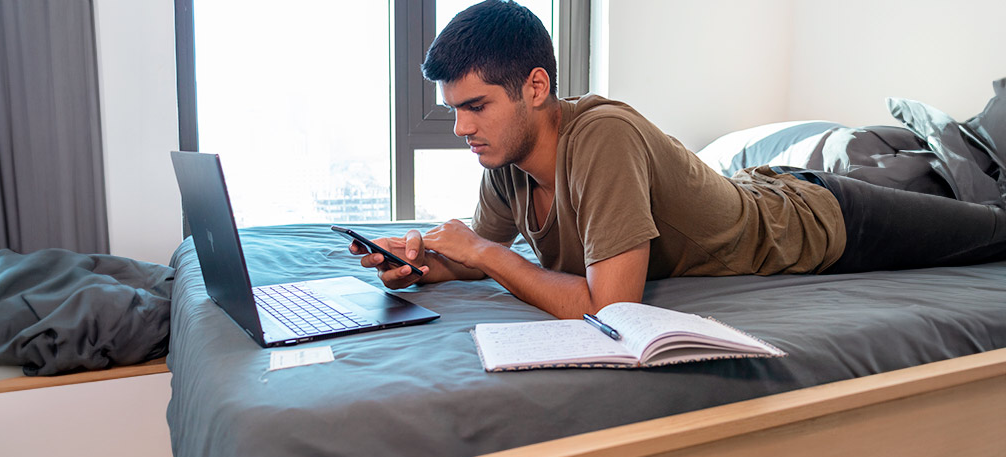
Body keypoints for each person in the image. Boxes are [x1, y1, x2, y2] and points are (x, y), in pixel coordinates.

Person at [350, 0, 1006, 320]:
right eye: (454, 108)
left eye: (475, 106)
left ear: (536, 87)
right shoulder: (506, 165)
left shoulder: (600, 137)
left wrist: (489, 256)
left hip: (822, 220)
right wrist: (422, 265)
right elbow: (479, 254)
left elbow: (611, 307)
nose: (461, 127)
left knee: (994, 228)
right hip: (759, 187)